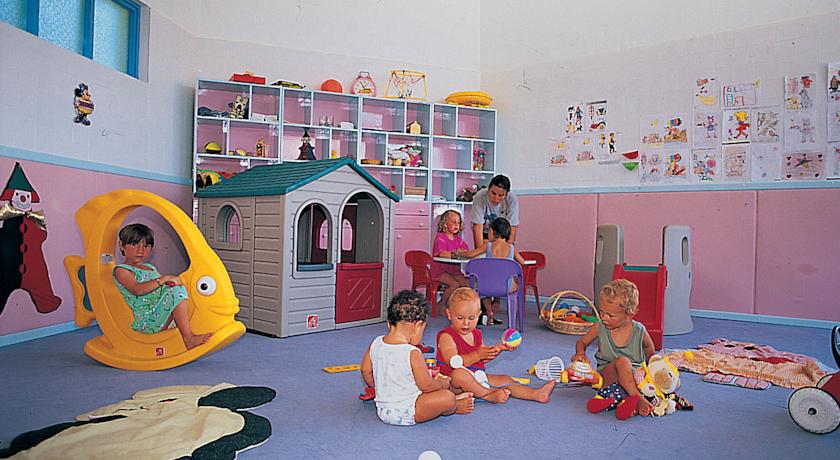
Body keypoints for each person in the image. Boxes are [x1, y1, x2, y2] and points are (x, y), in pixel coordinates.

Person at [360, 290, 474, 425]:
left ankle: (454, 399)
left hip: (383, 410)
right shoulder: (412, 352)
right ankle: (454, 407)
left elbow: (365, 370)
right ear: (418, 326)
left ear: (389, 323)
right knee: (447, 397)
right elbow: (426, 386)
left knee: (429, 391)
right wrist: (442, 384)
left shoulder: (376, 343)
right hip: (408, 410)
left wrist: (378, 387)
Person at [436, 287, 555, 404]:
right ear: (449, 314)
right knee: (460, 375)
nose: (466, 323)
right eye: (460, 318)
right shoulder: (446, 336)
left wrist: (499, 348)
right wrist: (478, 355)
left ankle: (536, 394)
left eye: (471, 318)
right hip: (451, 382)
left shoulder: (477, 334)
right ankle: (489, 395)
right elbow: (453, 362)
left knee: (505, 379)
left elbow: (483, 359)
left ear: (478, 315)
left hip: (476, 375)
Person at [113, 223, 212, 349]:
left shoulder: (150, 268)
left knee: (183, 290)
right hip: (147, 320)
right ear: (121, 245)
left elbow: (163, 288)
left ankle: (199, 322)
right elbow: (136, 289)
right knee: (176, 292)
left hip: (160, 311)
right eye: (134, 244)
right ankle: (188, 338)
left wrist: (175, 281)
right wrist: (164, 279)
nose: (140, 250)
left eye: (146, 246)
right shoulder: (122, 270)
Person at [571, 279, 656, 418]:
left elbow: (648, 347)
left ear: (629, 314)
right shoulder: (600, 327)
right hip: (608, 377)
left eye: (610, 315)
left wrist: (651, 368)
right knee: (622, 362)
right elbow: (582, 342)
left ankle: (627, 402)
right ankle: (637, 398)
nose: (604, 317)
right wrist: (580, 353)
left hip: (636, 377)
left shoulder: (639, 330)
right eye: (602, 312)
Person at [454, 217, 525, 325]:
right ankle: (512, 323)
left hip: (487, 286)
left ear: (491, 231)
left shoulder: (488, 246)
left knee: (482, 289)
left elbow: (471, 254)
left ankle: (489, 311)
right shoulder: (511, 248)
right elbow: (522, 262)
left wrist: (458, 253)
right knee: (514, 289)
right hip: (506, 287)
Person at [431, 209, 470, 310]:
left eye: (458, 222)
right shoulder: (440, 237)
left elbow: (466, 250)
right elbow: (442, 254)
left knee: (466, 285)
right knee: (455, 284)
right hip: (440, 271)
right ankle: (442, 304)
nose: (456, 224)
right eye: (453, 221)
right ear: (444, 223)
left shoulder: (458, 239)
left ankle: (458, 306)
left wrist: (463, 253)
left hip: (454, 271)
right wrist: (457, 253)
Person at [470, 174, 520, 248]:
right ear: (488, 189)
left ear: (506, 194)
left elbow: (512, 226)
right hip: (485, 232)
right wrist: (479, 251)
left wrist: (508, 249)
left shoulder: (512, 199)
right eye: (493, 193)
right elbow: (478, 227)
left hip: (503, 234)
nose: (496, 199)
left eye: (501, 195)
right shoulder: (480, 197)